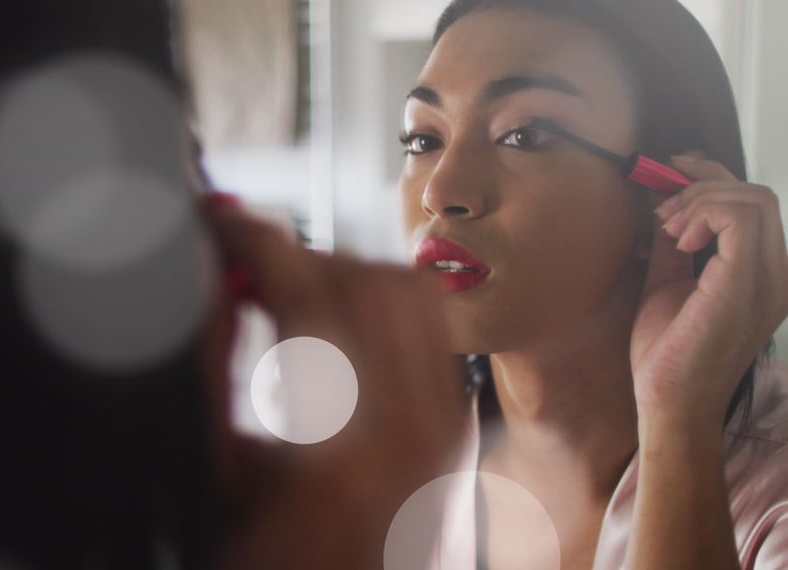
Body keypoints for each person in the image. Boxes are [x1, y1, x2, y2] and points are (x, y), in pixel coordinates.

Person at [202, 0, 788, 568]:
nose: (440, 191)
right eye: (423, 140)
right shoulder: (377, 462)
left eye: (524, 136)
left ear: (667, 197)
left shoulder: (773, 495)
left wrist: (677, 422)